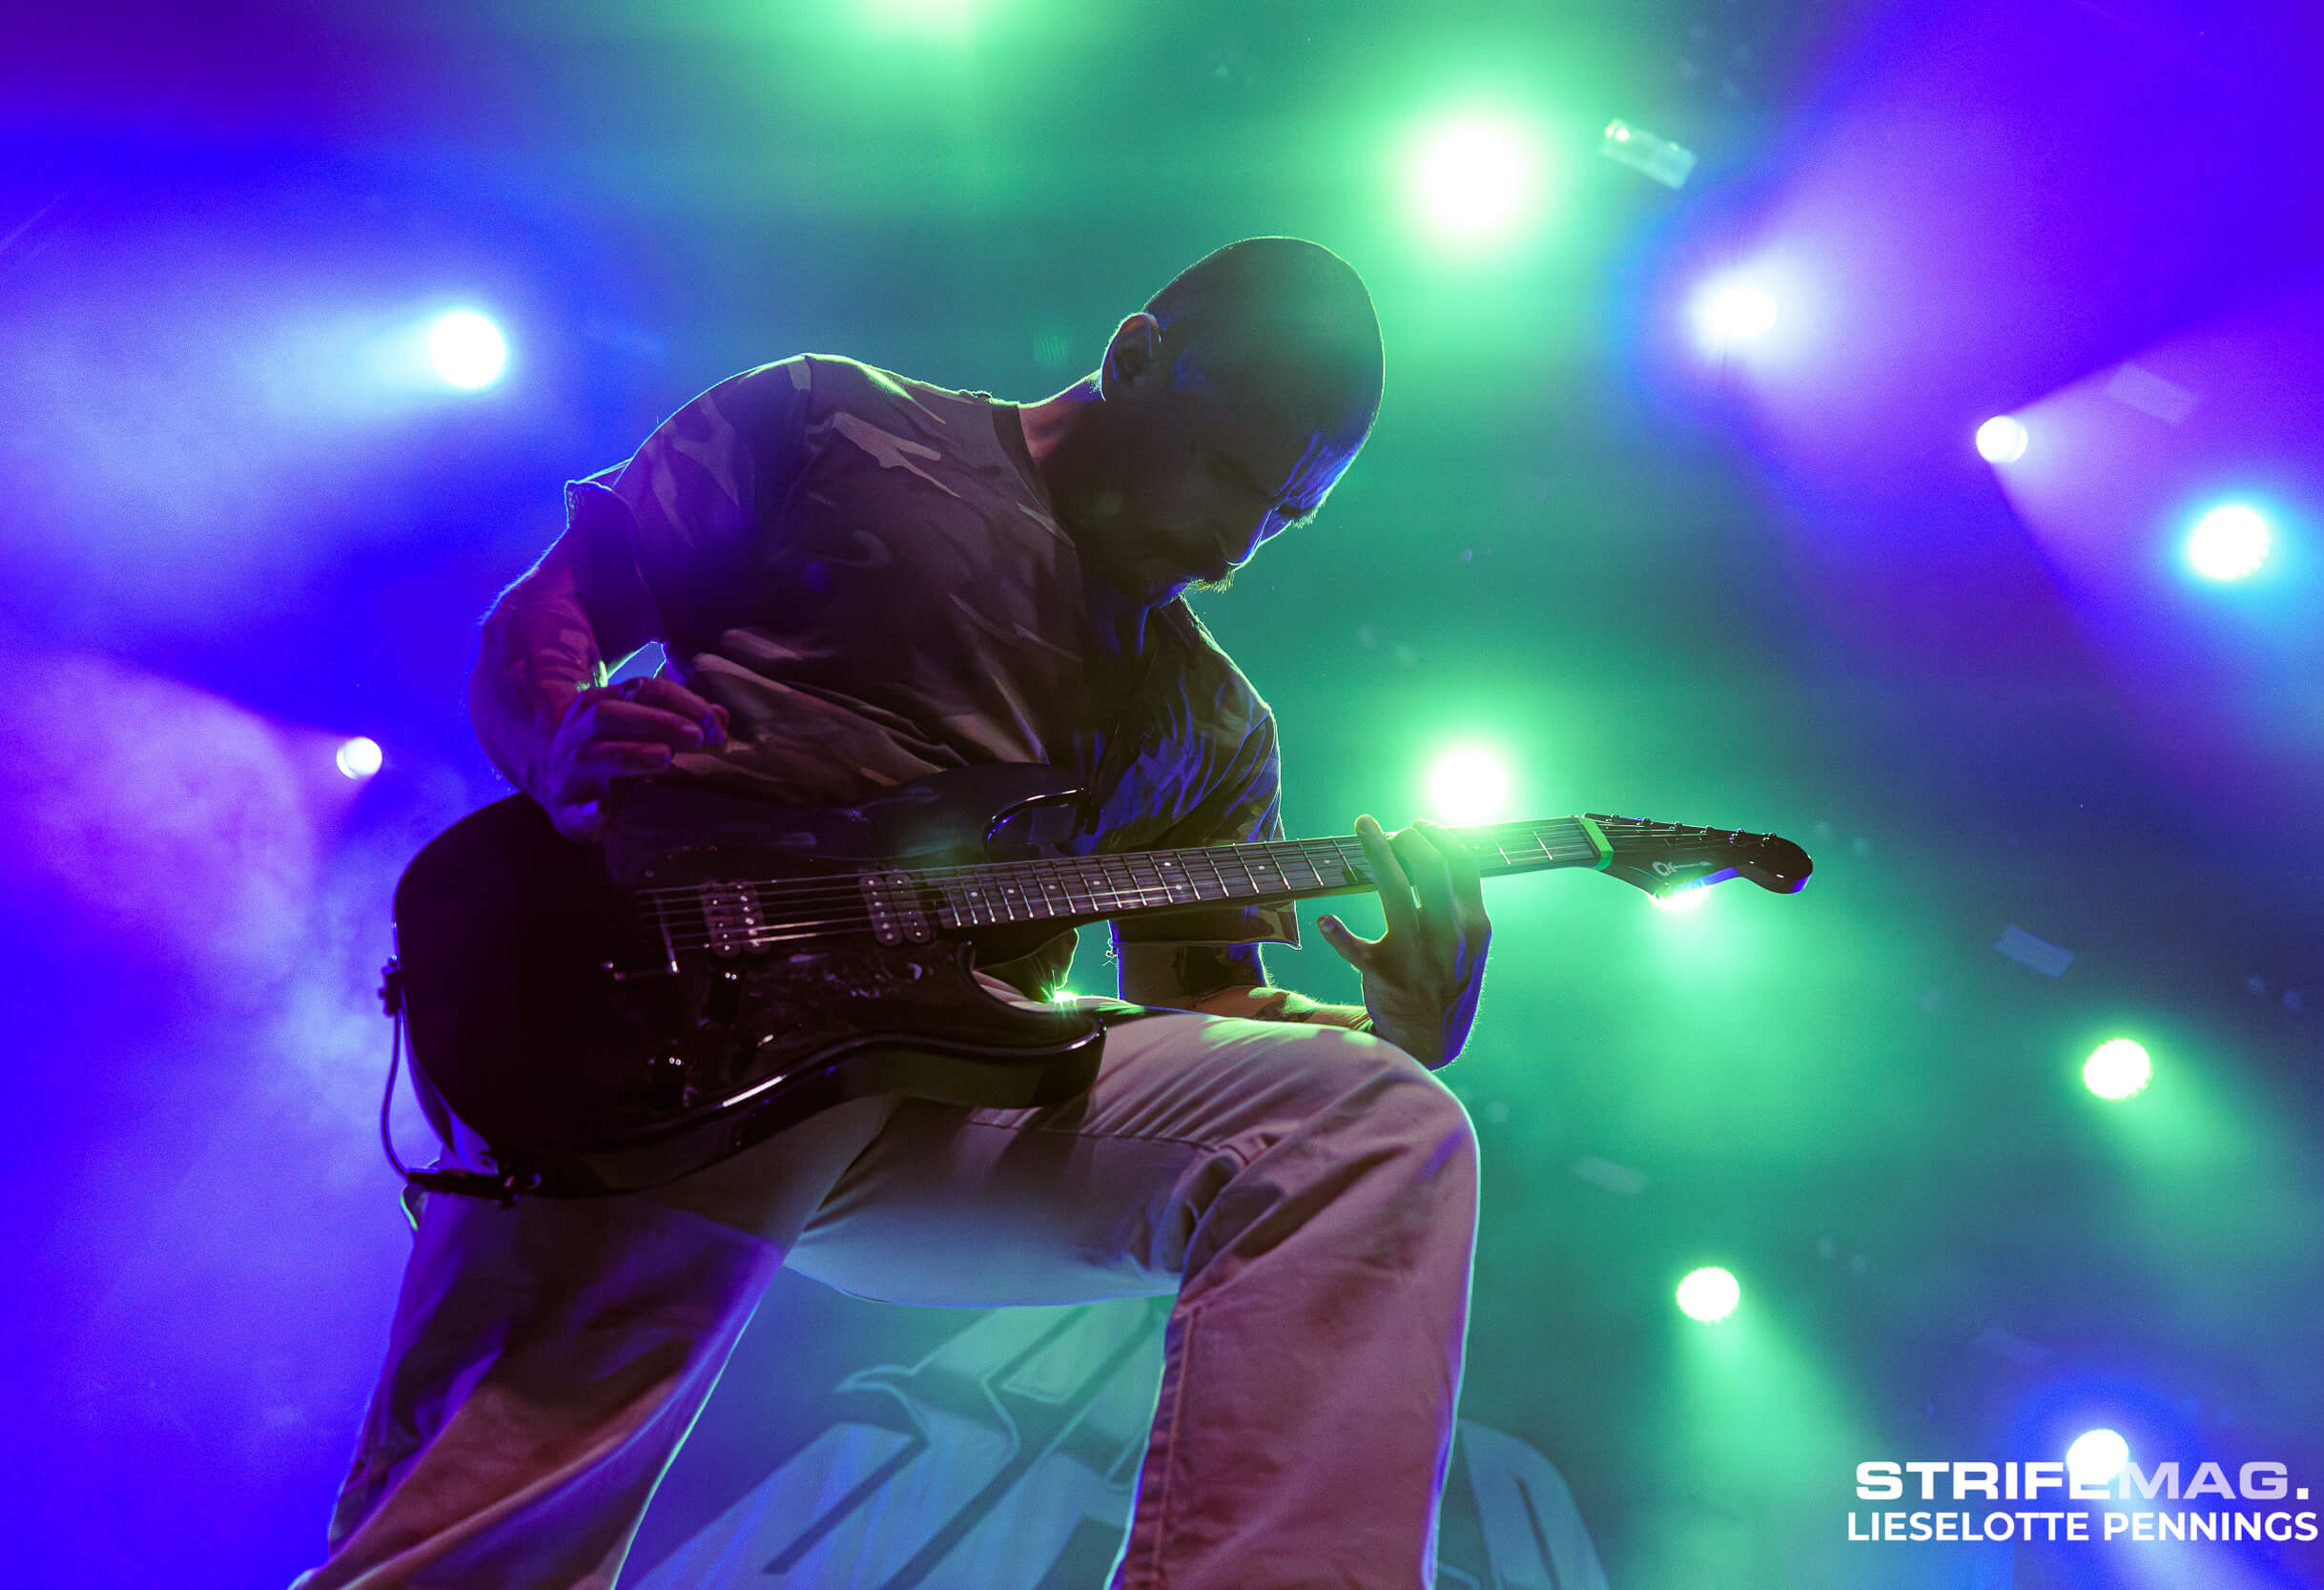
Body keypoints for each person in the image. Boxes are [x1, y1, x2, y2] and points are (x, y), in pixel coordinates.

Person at [298, 237, 1491, 1590]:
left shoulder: (1214, 725)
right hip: (664, 1014)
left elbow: (1203, 1012)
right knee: (468, 1555)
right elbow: (553, 609)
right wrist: (561, 733)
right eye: (1224, 470)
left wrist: (1388, 1027)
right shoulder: (832, 420)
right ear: (1135, 357)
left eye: (1281, 516)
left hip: (955, 1078)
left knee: (1374, 1126)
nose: (1231, 544)